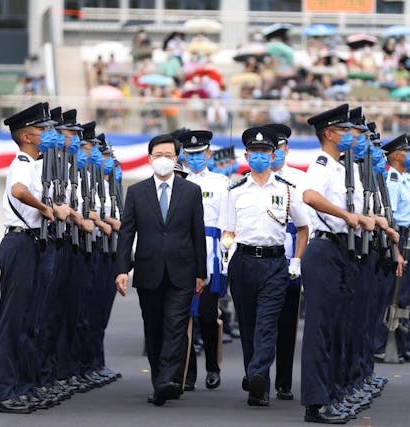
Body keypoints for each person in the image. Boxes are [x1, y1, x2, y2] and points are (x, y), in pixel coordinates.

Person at [300, 104, 385, 424]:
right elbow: (309, 195)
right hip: (324, 251)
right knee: (320, 331)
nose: (353, 135)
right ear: (329, 134)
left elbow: (356, 212)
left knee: (337, 329)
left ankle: (333, 394)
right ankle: (315, 403)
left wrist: (378, 223)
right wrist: (347, 216)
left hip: (341, 253)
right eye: (346, 130)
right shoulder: (322, 163)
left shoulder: (339, 168)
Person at [114, 133, 207, 406]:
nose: (163, 160)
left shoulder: (191, 191)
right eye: (159, 156)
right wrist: (122, 269)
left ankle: (168, 378)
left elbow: (197, 233)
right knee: (153, 329)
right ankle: (160, 380)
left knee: (176, 326)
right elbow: (127, 233)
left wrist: (201, 272)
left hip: (183, 271)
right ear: (150, 158)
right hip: (148, 270)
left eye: (169, 156)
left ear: (177, 159)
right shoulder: (136, 192)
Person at [221, 126, 309, 407]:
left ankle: (259, 377)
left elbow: (304, 227)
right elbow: (228, 230)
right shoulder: (234, 190)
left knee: (267, 324)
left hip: (274, 263)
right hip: (243, 262)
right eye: (254, 152)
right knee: (247, 324)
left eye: (265, 152)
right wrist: (226, 251)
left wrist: (295, 260)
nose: (260, 156)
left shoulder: (286, 190)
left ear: (274, 155)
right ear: (246, 155)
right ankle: (254, 371)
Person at [0, 102, 69, 414]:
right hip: (19, 243)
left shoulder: (35, 163)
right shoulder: (21, 163)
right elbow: (20, 191)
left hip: (32, 243)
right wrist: (46, 209)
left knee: (27, 321)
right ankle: (3, 392)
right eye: (42, 130)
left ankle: (21, 387)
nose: (47, 134)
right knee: (13, 322)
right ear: (27, 136)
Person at [178, 129, 229, 391]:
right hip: (184, 252)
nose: (195, 159)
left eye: (200, 154)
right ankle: (187, 372)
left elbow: (226, 221)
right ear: (183, 156)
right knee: (183, 316)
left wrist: (223, 256)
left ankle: (213, 366)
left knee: (208, 315)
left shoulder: (221, 183)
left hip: (211, 251)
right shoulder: (178, 181)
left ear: (208, 154)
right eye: (190, 155)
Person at [264, 123, 308, 402]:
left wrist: (299, 260)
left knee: (287, 321)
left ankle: (283, 381)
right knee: (262, 321)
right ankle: (258, 375)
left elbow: (308, 223)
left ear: (286, 150)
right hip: (264, 251)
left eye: (280, 149)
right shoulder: (253, 178)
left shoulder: (300, 179)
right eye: (272, 149)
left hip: (291, 252)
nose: (276, 154)